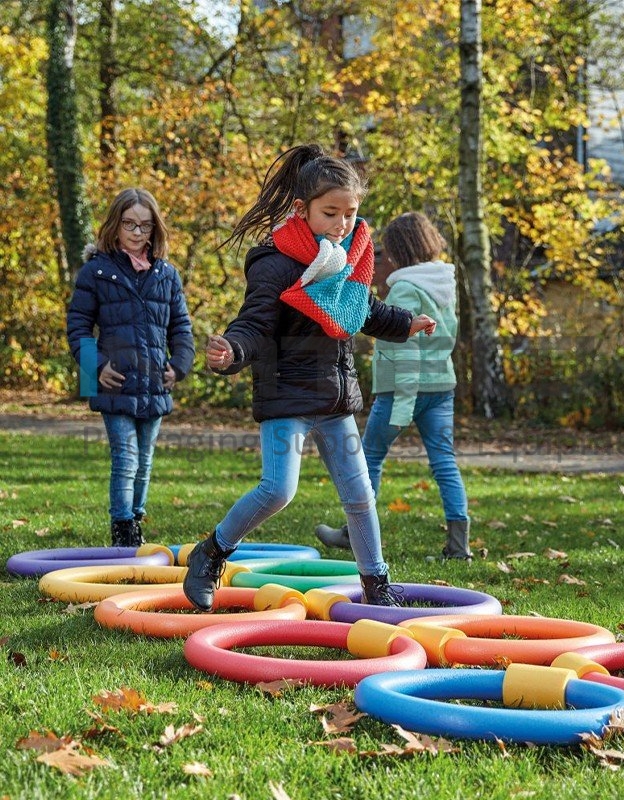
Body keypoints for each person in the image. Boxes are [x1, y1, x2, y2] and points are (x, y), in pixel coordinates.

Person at [182, 144, 436, 612]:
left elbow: (362, 309)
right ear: (302, 209)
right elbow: (255, 322)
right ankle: (212, 552)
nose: (342, 224)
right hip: (286, 395)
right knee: (278, 490)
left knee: (360, 496)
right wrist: (233, 350)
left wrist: (405, 322)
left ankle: (376, 585)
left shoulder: (349, 254)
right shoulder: (275, 262)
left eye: (350, 214)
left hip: (334, 398)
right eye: (330, 214)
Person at [315, 212, 471, 561]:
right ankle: (459, 546)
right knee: (444, 462)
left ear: (399, 250)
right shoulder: (444, 283)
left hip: (402, 390)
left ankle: (353, 533)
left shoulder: (405, 287)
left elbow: (407, 349)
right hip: (441, 386)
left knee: (369, 457)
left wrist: (403, 404)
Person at [66, 188, 195, 547]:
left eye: (145, 226)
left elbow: (181, 328)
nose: (137, 233)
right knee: (126, 458)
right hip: (115, 383)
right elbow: (78, 327)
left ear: (155, 229)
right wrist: (96, 367)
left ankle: (136, 519)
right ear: (115, 225)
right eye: (129, 224)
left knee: (145, 460)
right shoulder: (96, 272)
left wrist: (179, 366)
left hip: (154, 383)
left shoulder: (166, 274)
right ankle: (122, 528)